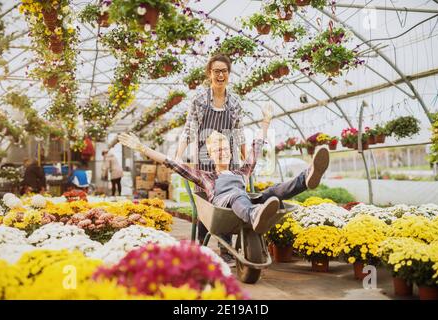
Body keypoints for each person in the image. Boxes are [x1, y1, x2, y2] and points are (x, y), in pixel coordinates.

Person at [118, 110, 330, 237]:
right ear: (210, 154)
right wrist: (142, 148)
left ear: (230, 151)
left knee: (272, 192)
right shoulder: (205, 176)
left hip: (244, 203)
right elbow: (171, 162)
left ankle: (307, 177)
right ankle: (255, 215)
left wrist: (266, 123)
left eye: (225, 148)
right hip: (224, 207)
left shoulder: (242, 171)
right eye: (216, 149)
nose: (222, 151)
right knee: (238, 196)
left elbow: (256, 146)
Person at [175, 54, 247, 260]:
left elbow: (239, 132)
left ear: (229, 74)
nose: (220, 75)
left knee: (225, 203)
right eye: (216, 71)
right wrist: (179, 155)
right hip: (204, 160)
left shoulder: (234, 102)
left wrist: (246, 160)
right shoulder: (199, 100)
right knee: (205, 204)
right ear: (209, 74)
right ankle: (202, 251)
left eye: (224, 71)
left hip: (227, 161)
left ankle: (226, 251)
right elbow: (189, 130)